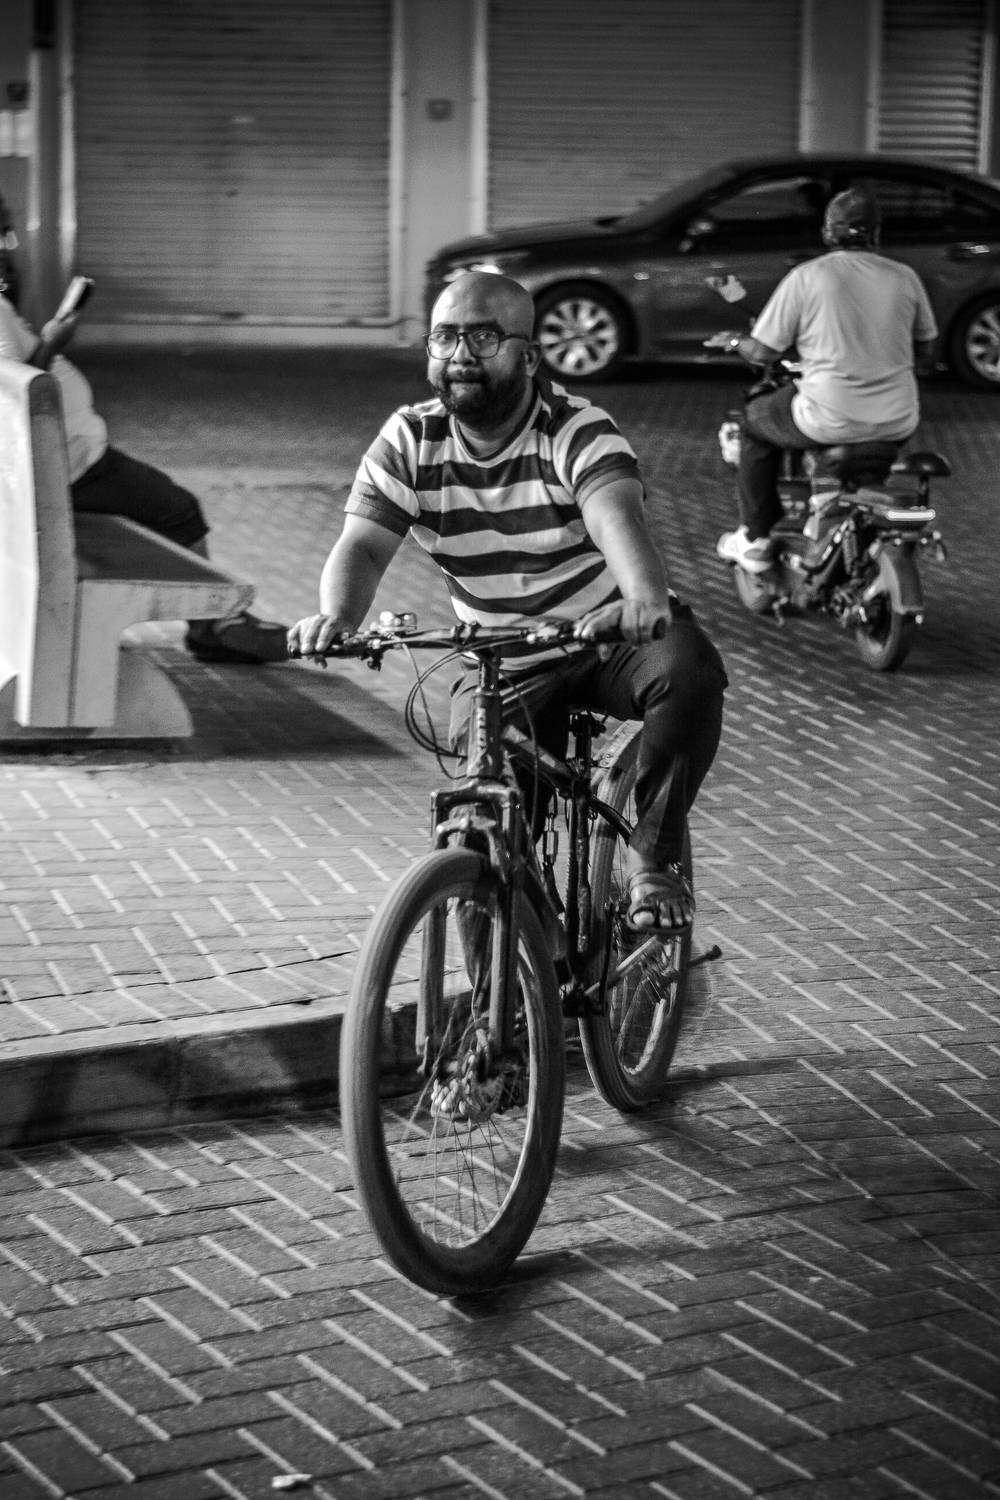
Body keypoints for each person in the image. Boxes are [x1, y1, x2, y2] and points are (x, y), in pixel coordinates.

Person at [289, 271, 727, 933]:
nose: (461, 354)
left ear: (528, 357)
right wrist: (337, 618)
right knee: (479, 829)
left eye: (484, 337)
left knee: (689, 674)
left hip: (609, 637)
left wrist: (641, 601)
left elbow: (616, 518)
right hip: (502, 656)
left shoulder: (575, 428)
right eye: (444, 337)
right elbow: (364, 546)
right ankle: (517, 974)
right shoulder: (411, 438)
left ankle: (653, 856)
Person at [0, 289, 287, 663]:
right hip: (69, 466)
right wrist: (54, 341)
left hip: (64, 458)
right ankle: (212, 626)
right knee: (178, 510)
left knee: (168, 507)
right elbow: (16, 393)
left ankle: (213, 623)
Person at [713, 187, 939, 573]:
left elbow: (763, 351)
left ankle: (754, 537)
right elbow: (927, 350)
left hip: (827, 416)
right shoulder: (904, 277)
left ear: (828, 232)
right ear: (876, 233)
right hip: (898, 418)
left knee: (754, 421)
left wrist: (735, 341)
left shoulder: (808, 276)